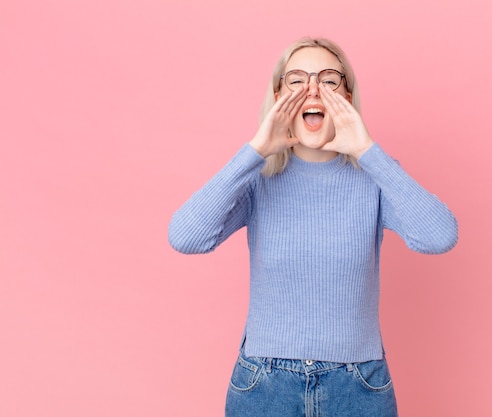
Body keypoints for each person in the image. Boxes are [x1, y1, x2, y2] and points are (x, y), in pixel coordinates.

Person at [168, 37, 458, 417]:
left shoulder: (374, 176)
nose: (312, 89)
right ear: (277, 96)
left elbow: (440, 236)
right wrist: (255, 150)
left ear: (347, 95)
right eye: (297, 80)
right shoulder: (257, 178)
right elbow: (185, 237)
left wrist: (367, 150)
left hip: (358, 384)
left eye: (328, 79)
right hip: (263, 385)